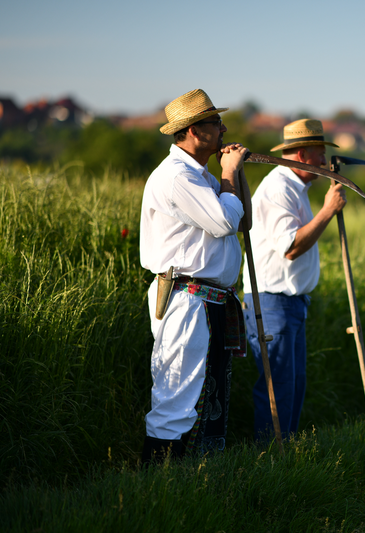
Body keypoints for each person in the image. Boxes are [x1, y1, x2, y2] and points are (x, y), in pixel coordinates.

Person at [139, 88, 250, 463]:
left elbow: (242, 219)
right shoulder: (176, 176)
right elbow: (223, 222)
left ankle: (191, 478)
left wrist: (232, 177)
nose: (223, 128)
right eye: (215, 122)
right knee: (176, 397)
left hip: (206, 298)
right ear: (192, 130)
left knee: (204, 394)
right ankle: (158, 483)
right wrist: (230, 172)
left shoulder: (197, 175)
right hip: (186, 299)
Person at [242, 118, 346, 440]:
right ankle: (271, 459)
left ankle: (283, 458)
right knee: (279, 388)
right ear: (301, 155)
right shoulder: (279, 188)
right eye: (318, 154)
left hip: (291, 304)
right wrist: (327, 211)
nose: (324, 162)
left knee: (293, 384)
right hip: (273, 303)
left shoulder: (296, 188)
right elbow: (290, 247)